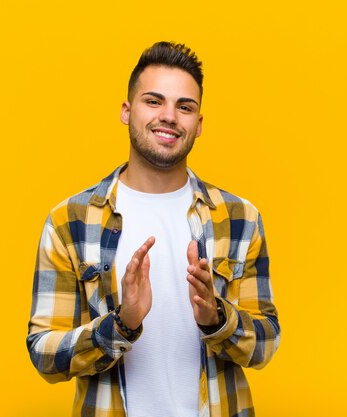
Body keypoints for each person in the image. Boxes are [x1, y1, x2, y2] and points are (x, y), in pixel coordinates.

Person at [27, 41, 280, 417]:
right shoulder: (70, 221)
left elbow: (265, 345)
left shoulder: (240, 218)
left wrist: (216, 318)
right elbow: (44, 352)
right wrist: (121, 324)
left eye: (185, 106)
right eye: (153, 101)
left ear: (199, 125)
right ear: (127, 112)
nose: (169, 116)